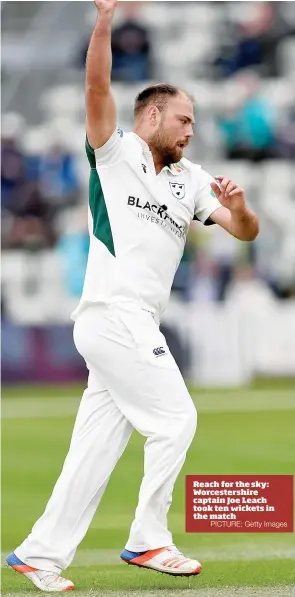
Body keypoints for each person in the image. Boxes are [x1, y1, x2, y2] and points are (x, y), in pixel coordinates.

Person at [6, 0, 259, 591]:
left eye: (194, 122)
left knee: (92, 452)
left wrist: (242, 210)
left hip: (130, 322)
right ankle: (150, 540)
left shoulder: (192, 180)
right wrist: (102, 21)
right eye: (183, 120)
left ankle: (38, 554)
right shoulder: (114, 154)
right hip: (113, 314)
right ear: (150, 118)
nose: (191, 130)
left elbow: (243, 231)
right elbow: (96, 84)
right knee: (176, 420)